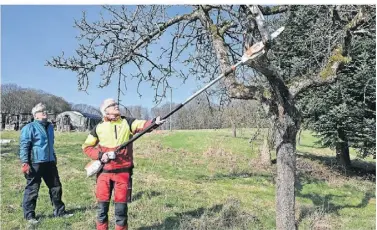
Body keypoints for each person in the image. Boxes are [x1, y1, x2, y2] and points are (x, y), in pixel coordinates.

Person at [82, 98, 165, 230]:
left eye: (116, 104)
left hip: (123, 173)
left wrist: (154, 122)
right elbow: (86, 147)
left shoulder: (127, 122)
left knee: (121, 211)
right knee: (102, 210)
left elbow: (143, 124)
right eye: (112, 105)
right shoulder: (98, 128)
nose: (116, 106)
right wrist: (100, 155)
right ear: (105, 110)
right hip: (104, 174)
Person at [19, 103, 72, 224]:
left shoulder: (50, 127)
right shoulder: (29, 127)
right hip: (35, 163)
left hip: (49, 162)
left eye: (45, 111)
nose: (45, 113)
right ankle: (29, 216)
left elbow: (50, 144)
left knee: (56, 187)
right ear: (35, 115)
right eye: (41, 111)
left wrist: (53, 156)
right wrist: (25, 162)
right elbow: (24, 146)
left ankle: (60, 211)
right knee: (32, 189)